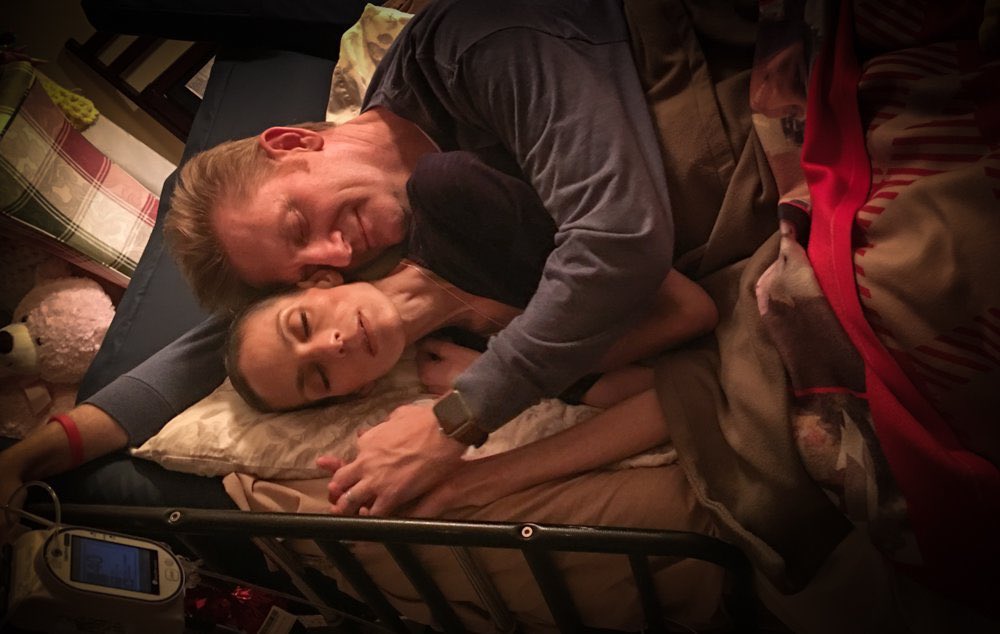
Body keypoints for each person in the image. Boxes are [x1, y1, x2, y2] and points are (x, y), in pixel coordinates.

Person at [1, 0, 678, 525]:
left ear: (293, 141)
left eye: (299, 222)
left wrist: (460, 419)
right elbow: (207, 357)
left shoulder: (473, 48)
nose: (337, 254)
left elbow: (620, 242)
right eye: (304, 273)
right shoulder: (401, 272)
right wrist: (28, 458)